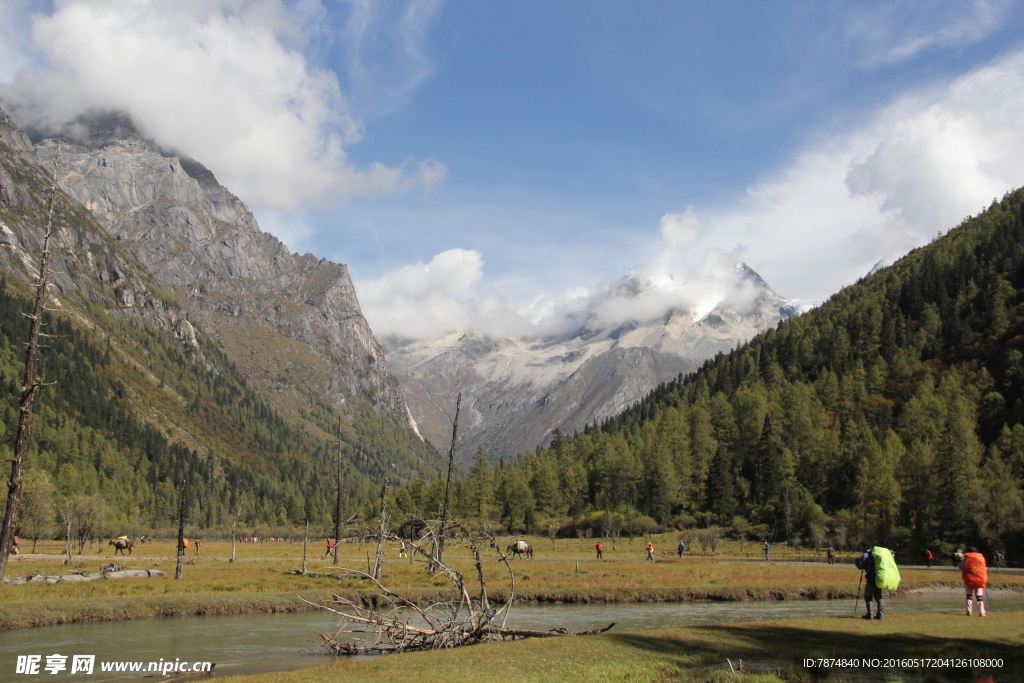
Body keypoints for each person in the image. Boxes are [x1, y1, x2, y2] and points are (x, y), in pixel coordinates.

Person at [855, 542, 884, 619]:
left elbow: (860, 566)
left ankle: (869, 614)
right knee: (878, 597)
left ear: (865, 547)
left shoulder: (866, 555)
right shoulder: (876, 555)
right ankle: (880, 614)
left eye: (862, 547)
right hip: (879, 578)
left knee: (868, 596)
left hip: (871, 579)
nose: (861, 549)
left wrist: (857, 561)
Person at [962, 547, 988, 617]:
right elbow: (984, 569)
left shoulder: (966, 558)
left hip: (969, 579)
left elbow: (960, 567)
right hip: (979, 580)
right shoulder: (981, 558)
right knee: (979, 597)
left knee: (969, 596)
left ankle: (969, 611)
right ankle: (982, 612)